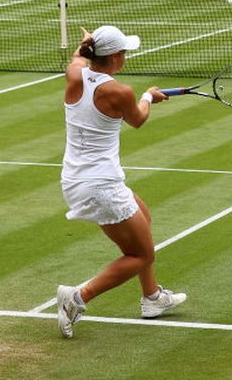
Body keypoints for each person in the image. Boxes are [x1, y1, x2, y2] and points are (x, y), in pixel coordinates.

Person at [54, 25, 186, 339]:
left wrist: (85, 44)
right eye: (124, 51)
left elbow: (76, 58)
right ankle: (77, 297)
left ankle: (152, 298)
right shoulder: (119, 91)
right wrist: (148, 97)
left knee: (145, 217)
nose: (126, 56)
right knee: (141, 254)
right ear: (114, 56)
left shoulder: (75, 75)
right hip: (101, 185)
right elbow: (138, 119)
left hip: (75, 179)